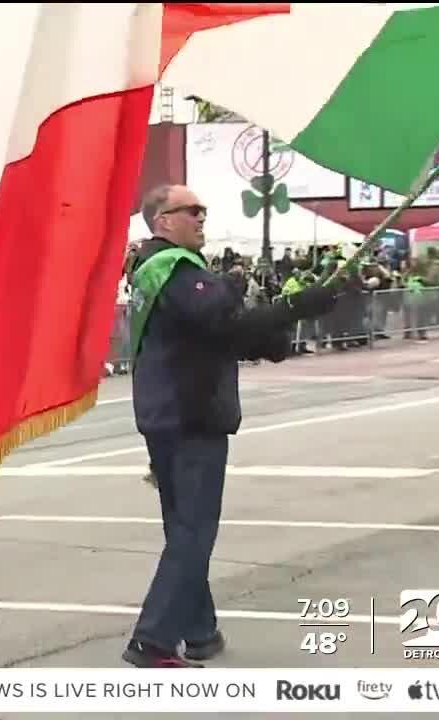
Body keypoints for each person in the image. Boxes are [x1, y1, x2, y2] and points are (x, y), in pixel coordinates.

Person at [123, 184, 338, 669]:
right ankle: (152, 641)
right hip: (189, 413)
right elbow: (226, 323)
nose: (201, 217)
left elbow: (214, 336)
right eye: (190, 210)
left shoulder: (159, 270)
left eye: (203, 209)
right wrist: (296, 307)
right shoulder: (172, 269)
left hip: (168, 411)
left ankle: (199, 630)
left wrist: (272, 340)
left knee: (183, 528)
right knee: (194, 532)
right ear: (162, 220)